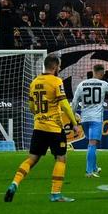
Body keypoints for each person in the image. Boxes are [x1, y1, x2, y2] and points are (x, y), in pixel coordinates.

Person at [5, 54, 83, 203]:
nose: (59, 68)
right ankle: (55, 194)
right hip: (54, 128)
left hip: (39, 127)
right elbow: (65, 104)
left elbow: (31, 107)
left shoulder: (34, 82)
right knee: (61, 158)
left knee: (32, 159)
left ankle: (14, 183)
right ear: (54, 66)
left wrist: (40, 115)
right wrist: (75, 123)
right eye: (59, 66)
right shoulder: (56, 81)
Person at [73, 64, 108, 177]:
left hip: (84, 119)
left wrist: (72, 118)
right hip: (96, 119)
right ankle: (89, 171)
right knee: (92, 144)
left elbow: (74, 103)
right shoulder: (103, 84)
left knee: (92, 143)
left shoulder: (81, 84)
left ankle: (94, 167)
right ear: (101, 73)